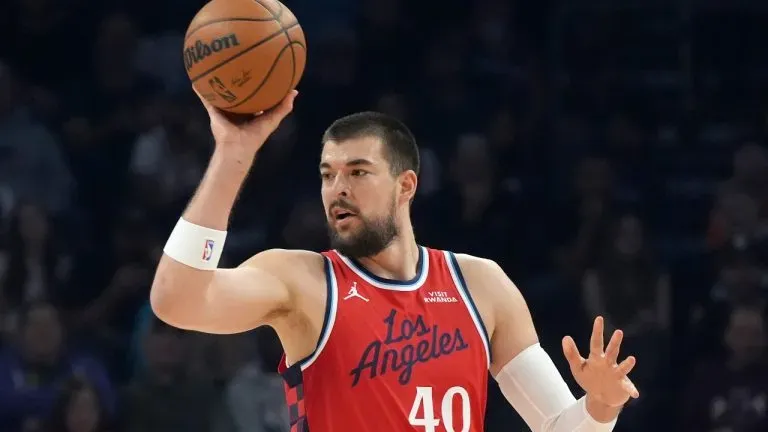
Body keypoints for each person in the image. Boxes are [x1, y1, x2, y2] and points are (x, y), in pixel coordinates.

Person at [150, 90, 640, 432]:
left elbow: (558, 426)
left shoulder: (480, 284)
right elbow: (175, 301)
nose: (338, 189)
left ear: (406, 186)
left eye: (358, 172)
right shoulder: (303, 281)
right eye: (327, 175)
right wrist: (234, 155)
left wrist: (601, 406)